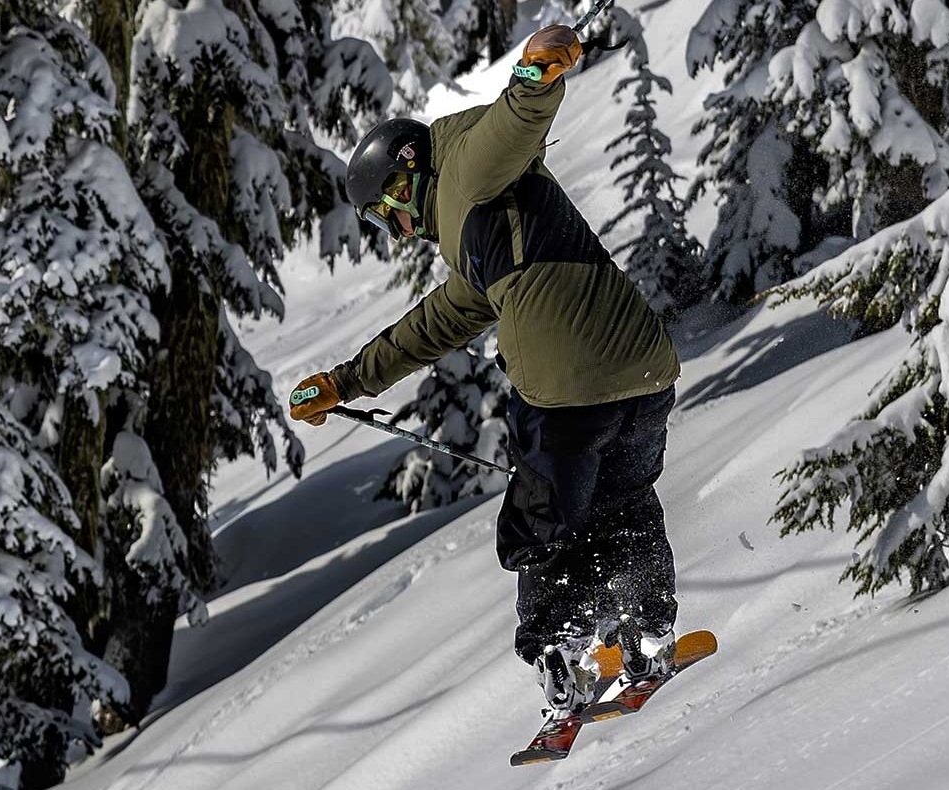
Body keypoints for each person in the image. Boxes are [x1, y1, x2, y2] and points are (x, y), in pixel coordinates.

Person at [286, 25, 682, 720]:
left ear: (406, 173)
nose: (395, 229)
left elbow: (515, 124)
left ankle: (567, 659)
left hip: (567, 387)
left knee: (539, 525)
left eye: (385, 212)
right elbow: (438, 322)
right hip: (644, 369)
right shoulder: (480, 229)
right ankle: (645, 632)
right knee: (624, 505)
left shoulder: (467, 168)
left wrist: (535, 75)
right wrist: (348, 382)